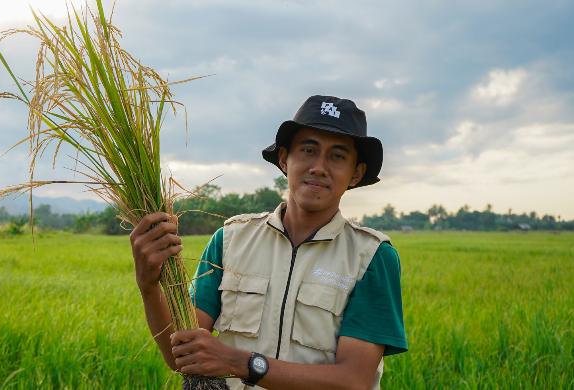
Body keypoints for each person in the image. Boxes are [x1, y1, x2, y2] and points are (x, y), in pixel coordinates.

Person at [130, 95, 407, 390]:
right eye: (308, 150)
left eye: (337, 156)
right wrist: (148, 285)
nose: (319, 167)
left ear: (357, 173)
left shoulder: (371, 257)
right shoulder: (231, 239)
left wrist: (239, 363)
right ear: (285, 159)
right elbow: (182, 355)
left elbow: (353, 380)